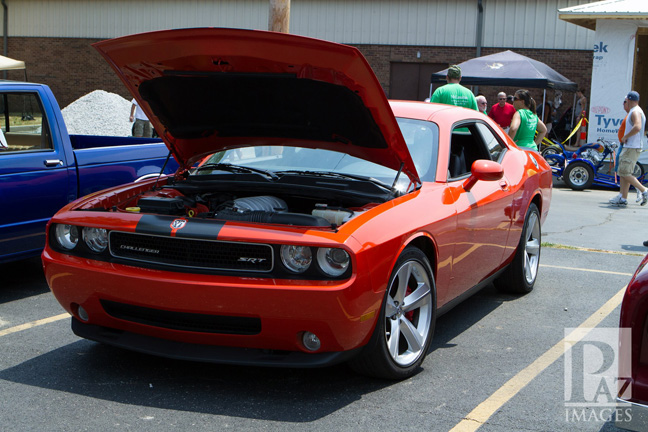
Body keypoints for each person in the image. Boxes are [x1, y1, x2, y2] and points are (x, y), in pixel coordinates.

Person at [609, 91, 647, 208]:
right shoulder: (636, 110)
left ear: (629, 100)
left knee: (624, 172)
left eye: (625, 101)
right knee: (623, 172)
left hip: (632, 147)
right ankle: (623, 197)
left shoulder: (635, 111)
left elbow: (637, 126)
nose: (625, 103)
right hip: (631, 147)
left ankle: (644, 190)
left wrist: (626, 136)